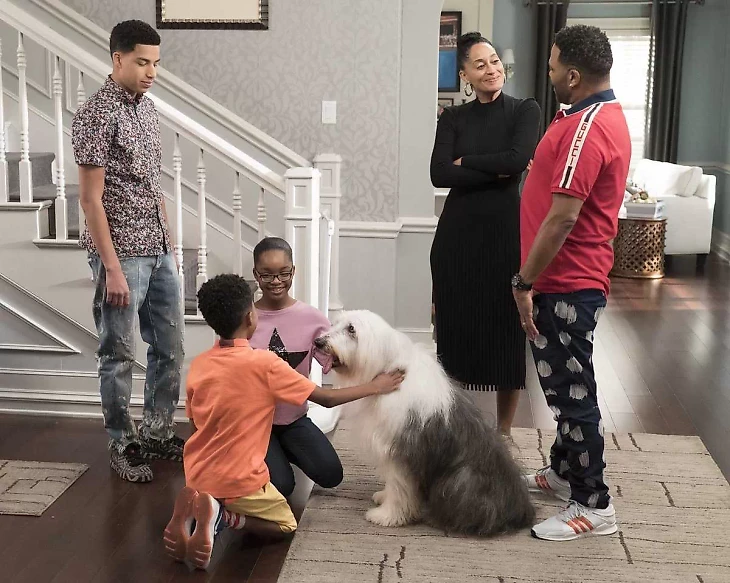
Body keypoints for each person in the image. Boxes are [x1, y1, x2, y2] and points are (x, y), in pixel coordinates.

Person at [163, 274, 404, 570]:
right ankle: (223, 517)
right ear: (251, 317)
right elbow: (326, 399)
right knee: (286, 523)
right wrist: (376, 386)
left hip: (197, 471)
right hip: (238, 479)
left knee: (324, 472)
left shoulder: (199, 364)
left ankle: (199, 510)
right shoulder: (264, 363)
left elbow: (195, 425)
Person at [515, 24, 631, 541]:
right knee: (563, 385)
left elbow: (562, 218)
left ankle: (593, 503)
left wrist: (523, 281)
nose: (550, 72)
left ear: (575, 74)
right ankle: (564, 472)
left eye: (554, 65)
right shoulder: (586, 115)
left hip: (566, 281)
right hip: (564, 279)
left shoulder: (590, 127)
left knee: (571, 394)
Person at [72, 20, 184, 483]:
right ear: (118, 59)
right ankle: (123, 442)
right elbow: (90, 200)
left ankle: (157, 432)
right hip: (122, 254)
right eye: (142, 62)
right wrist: (112, 269)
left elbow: (152, 182)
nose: (151, 72)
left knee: (170, 348)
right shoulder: (95, 115)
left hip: (158, 247)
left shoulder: (148, 109)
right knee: (117, 353)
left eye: (156, 63)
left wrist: (168, 239)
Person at [430, 32, 540, 436]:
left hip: (504, 235)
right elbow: (439, 173)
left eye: (494, 61)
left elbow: (517, 160)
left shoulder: (525, 110)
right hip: (456, 239)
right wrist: (496, 170)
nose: (491, 69)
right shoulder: (453, 118)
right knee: (456, 332)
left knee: (507, 332)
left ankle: (504, 433)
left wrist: (468, 162)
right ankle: (457, 426)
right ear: (465, 75)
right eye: (480, 64)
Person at [249, 237, 343, 498]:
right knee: (282, 486)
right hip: (254, 423)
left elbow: (337, 360)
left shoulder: (312, 318)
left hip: (293, 419)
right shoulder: (244, 319)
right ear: (255, 274)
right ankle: (260, 453)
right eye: (267, 274)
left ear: (293, 271)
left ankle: (281, 451)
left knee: (331, 475)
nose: (276, 281)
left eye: (283, 273)